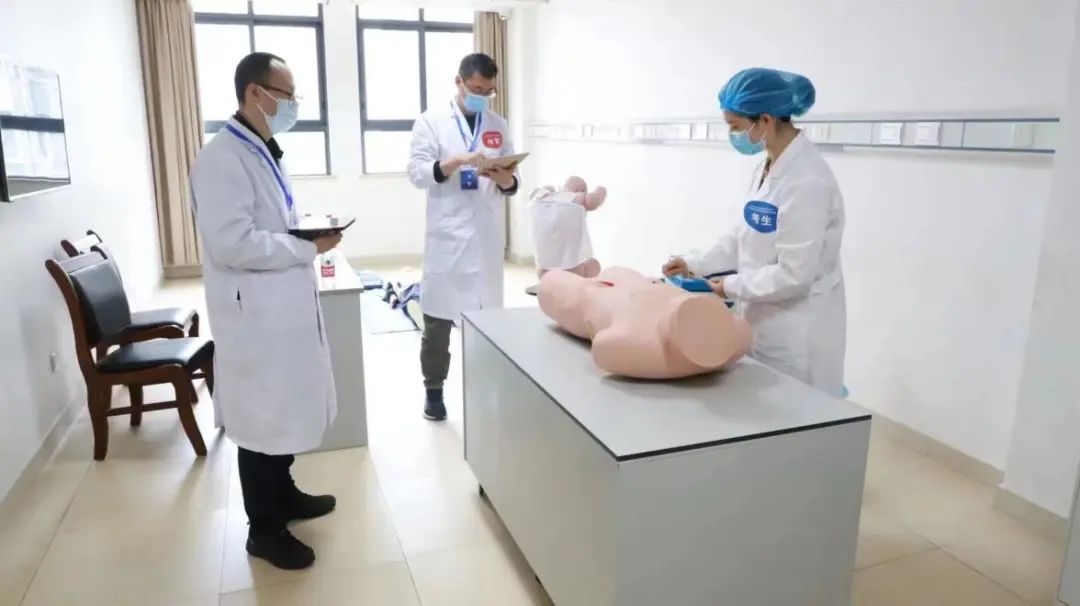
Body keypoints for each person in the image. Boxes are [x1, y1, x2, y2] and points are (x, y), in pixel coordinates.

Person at [190, 52, 341, 571]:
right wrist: (306, 247)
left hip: (277, 304)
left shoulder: (261, 150)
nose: (293, 104)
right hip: (252, 314)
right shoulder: (221, 159)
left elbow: (269, 221)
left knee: (282, 406)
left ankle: (285, 494)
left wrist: (305, 234)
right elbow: (233, 242)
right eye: (287, 94)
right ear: (255, 93)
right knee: (259, 419)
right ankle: (264, 530)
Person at [663, 68, 846, 396]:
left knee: (796, 409)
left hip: (797, 327)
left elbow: (794, 274)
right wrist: (694, 263)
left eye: (735, 126)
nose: (732, 135)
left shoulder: (807, 181)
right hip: (763, 315)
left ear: (764, 120)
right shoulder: (769, 165)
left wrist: (728, 286)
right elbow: (744, 236)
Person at [407, 53, 520, 421]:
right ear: (459, 82)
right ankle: (434, 391)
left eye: (488, 92)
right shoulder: (431, 122)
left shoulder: (498, 124)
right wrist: (455, 161)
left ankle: (485, 389)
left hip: (485, 237)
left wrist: (506, 178)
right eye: (476, 89)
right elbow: (417, 173)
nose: (482, 97)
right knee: (437, 321)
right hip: (448, 236)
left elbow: (511, 177)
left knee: (487, 321)